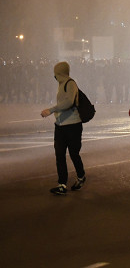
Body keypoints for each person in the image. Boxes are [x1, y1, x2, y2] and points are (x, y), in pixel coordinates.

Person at [41, 61, 86, 195]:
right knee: (59, 155)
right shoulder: (61, 84)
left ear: (59, 73)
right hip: (60, 126)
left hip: (73, 125)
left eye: (55, 73)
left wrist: (51, 110)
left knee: (73, 154)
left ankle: (81, 176)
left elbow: (69, 102)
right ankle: (62, 184)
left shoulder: (70, 83)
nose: (54, 76)